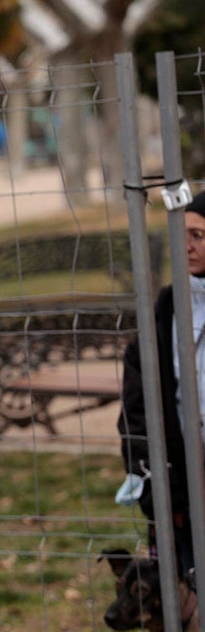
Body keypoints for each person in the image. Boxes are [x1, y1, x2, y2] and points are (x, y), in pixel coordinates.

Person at [117, 190, 205, 578]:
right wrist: (147, 471)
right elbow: (137, 400)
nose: (185, 245)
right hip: (183, 481)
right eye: (180, 232)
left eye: (198, 235)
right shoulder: (168, 308)